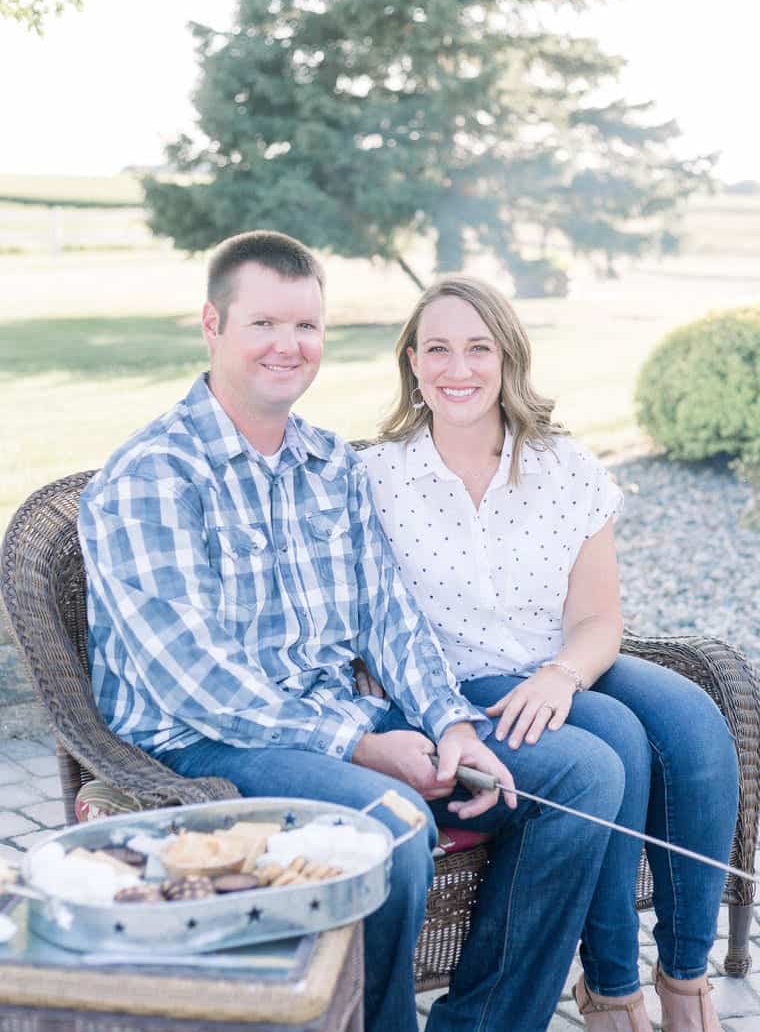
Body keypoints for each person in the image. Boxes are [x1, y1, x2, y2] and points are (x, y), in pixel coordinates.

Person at [80, 232, 624, 1032]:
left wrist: (450, 722)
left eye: (306, 327)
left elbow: (388, 615)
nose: (287, 346)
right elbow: (193, 681)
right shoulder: (152, 478)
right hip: (202, 741)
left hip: (336, 719)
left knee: (581, 777)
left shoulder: (331, 466)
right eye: (263, 324)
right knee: (392, 828)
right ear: (212, 325)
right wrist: (361, 745)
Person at [361, 274, 739, 1032]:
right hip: (452, 687)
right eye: (437, 349)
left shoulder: (564, 467)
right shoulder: (374, 477)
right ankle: (610, 991)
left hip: (562, 662)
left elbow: (601, 617)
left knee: (695, 722)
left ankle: (686, 983)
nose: (458, 368)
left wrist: (565, 674)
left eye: (479, 348)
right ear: (411, 362)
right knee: (620, 743)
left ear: (509, 358)